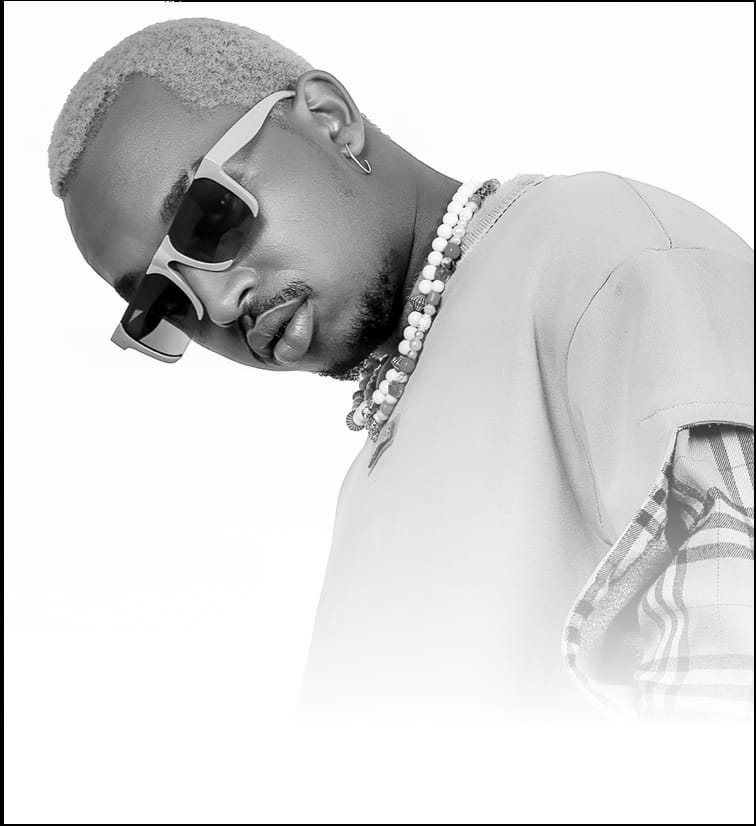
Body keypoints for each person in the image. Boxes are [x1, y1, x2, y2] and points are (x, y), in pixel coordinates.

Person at [48, 17, 754, 721]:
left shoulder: (599, 246)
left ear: (330, 120)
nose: (219, 301)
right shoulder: (371, 476)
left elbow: (730, 654)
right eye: (164, 299)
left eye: (207, 219)